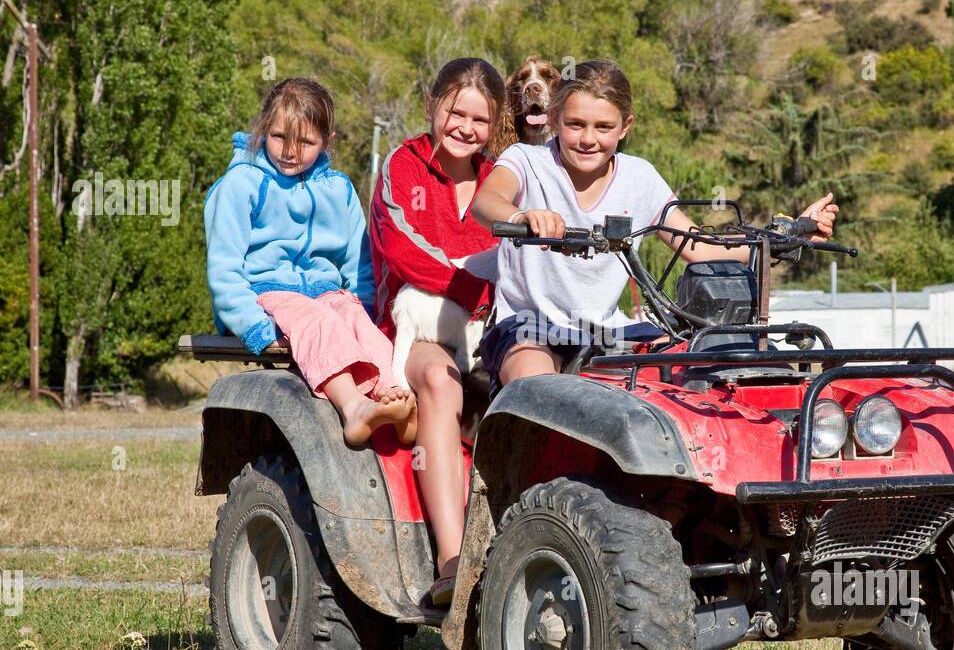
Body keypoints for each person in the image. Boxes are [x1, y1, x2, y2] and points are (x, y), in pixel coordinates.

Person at [472, 58, 838, 390]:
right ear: (553, 119)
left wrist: (788, 236)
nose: (588, 139)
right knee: (539, 389)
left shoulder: (639, 176)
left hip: (608, 331)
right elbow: (487, 203)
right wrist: (521, 216)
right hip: (531, 327)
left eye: (603, 126)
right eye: (575, 124)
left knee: (698, 368)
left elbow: (698, 246)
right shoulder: (526, 159)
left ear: (625, 126)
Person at [205, 77, 415, 448]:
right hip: (264, 296)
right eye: (279, 137)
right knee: (316, 318)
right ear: (262, 128)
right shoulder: (240, 184)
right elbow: (224, 268)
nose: (290, 151)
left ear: (327, 140)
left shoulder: (338, 189)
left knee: (350, 315)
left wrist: (364, 310)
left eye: (306, 142)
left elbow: (359, 264)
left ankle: (395, 396)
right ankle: (354, 409)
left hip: (325, 293)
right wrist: (253, 325)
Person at [368, 57, 506, 608]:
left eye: (480, 119)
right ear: (433, 107)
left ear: (494, 126)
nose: (465, 128)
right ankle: (453, 562)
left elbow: (521, 255)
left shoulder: (502, 180)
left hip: (488, 329)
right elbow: (405, 251)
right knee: (442, 381)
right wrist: (477, 285)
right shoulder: (402, 167)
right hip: (414, 323)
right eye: (456, 111)